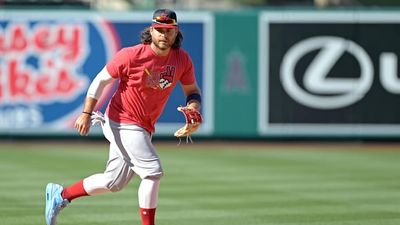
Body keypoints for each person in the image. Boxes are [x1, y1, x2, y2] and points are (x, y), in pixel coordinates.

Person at [45, 8, 202, 225]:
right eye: (159, 30)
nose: (163, 35)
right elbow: (100, 81)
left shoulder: (182, 60)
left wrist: (193, 108)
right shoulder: (131, 55)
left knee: (113, 182)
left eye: (169, 30)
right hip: (122, 120)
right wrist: (85, 113)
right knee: (152, 172)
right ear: (151, 30)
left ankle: (61, 195)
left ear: (176, 32)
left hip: (144, 126)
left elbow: (192, 90)